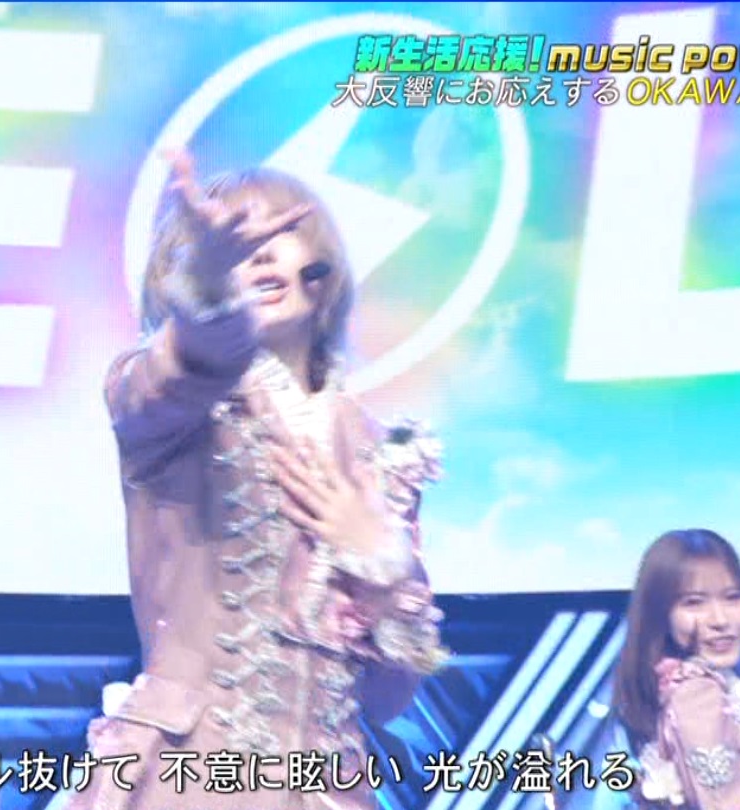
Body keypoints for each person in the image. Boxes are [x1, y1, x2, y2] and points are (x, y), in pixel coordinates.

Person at [61, 152, 449, 810]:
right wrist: (210, 294)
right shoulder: (172, 405)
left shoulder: (381, 453)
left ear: (321, 271)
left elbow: (386, 700)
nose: (262, 252)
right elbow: (186, 367)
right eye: (240, 241)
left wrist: (383, 566)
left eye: (283, 232)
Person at [611, 529, 740, 810]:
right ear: (661, 614)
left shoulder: (721, 687)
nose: (719, 619)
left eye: (733, 597)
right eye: (694, 602)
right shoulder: (696, 694)